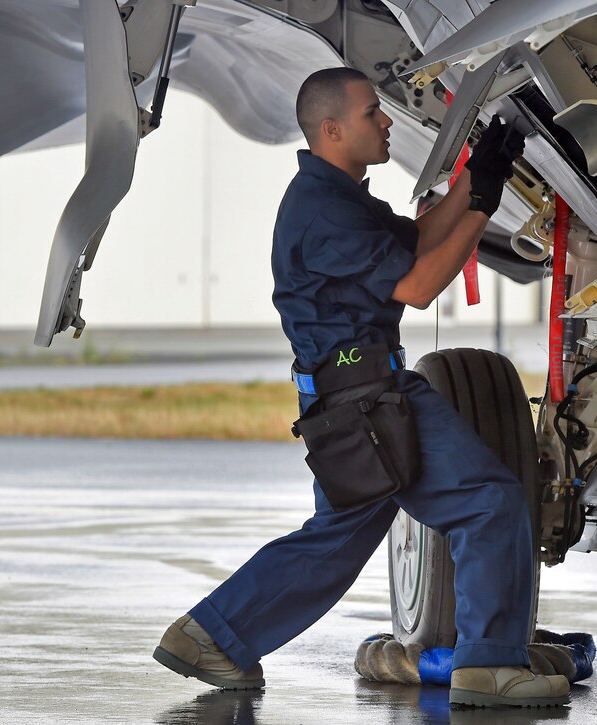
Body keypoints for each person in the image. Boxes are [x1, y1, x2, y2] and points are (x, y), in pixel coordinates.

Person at [153, 67, 570, 709]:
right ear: (331, 128)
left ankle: (212, 635)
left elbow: (420, 240)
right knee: (488, 502)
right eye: (374, 112)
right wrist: (483, 199)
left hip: (350, 396)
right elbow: (419, 285)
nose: (387, 122)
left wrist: (480, 174)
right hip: (366, 400)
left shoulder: (337, 196)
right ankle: (488, 667)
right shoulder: (322, 210)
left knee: (338, 536)